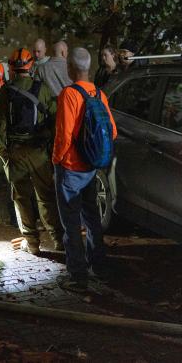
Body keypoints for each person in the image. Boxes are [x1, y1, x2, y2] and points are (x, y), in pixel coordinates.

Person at [52, 48, 117, 292]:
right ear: (88, 67)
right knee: (92, 219)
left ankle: (77, 277)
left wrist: (57, 160)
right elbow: (112, 131)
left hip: (70, 169)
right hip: (92, 167)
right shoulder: (99, 93)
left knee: (70, 223)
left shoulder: (69, 94)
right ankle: (99, 267)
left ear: (70, 68)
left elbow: (64, 135)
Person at [0, 48, 64, 254]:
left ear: (12, 67)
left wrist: (5, 155)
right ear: (30, 65)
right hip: (39, 153)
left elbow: (0, 128)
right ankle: (59, 240)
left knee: (22, 199)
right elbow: (55, 119)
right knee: (47, 197)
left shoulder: (6, 91)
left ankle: (32, 243)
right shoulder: (41, 88)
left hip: (16, 152)